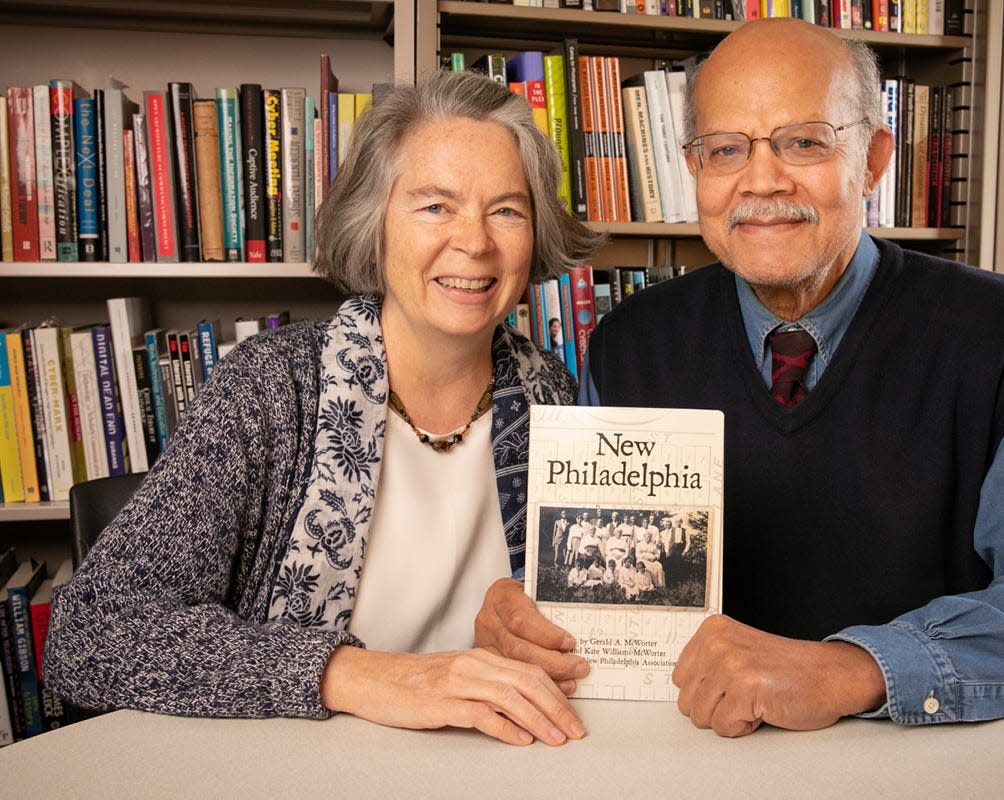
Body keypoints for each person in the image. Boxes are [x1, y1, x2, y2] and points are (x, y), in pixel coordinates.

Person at [474, 19, 1004, 737]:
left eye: (804, 141)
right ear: (693, 169)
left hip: (927, 775)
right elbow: (606, 592)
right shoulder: (629, 345)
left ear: (873, 160)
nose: (762, 180)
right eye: (726, 149)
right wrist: (535, 621)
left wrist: (854, 668)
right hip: (685, 761)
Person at [44, 70, 603, 747]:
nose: (476, 242)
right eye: (435, 206)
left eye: (507, 210)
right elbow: (92, 632)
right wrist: (354, 674)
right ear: (375, 227)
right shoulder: (270, 389)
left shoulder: (558, 398)